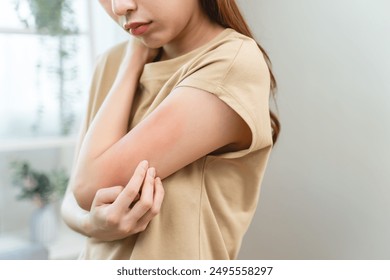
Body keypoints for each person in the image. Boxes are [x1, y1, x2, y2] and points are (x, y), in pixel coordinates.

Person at [61, 0, 280, 260]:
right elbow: (70, 198)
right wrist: (93, 226)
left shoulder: (229, 62)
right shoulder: (111, 62)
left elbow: (89, 186)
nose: (119, 7)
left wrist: (133, 60)